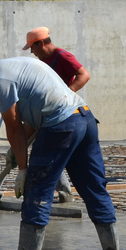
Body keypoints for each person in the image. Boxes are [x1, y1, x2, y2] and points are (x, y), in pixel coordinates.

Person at [0, 47, 121, 250]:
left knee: (37, 187)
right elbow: (34, 113)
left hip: (61, 126)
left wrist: (22, 168)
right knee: (93, 186)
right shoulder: (17, 65)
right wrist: (16, 150)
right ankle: (112, 249)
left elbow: (13, 126)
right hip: (83, 119)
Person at [23, 27, 90, 201]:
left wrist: (66, 94)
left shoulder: (62, 56)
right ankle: (65, 191)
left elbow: (84, 75)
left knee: (49, 154)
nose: (32, 52)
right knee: (47, 153)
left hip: (62, 114)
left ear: (42, 43)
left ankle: (65, 192)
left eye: (33, 47)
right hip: (46, 114)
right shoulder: (44, 61)